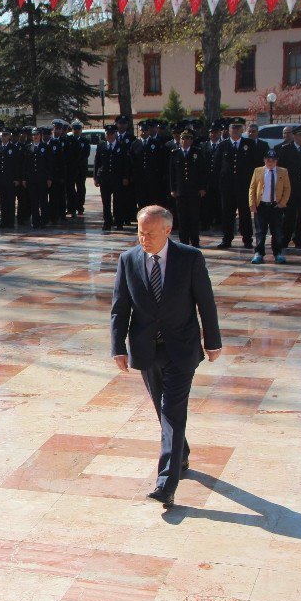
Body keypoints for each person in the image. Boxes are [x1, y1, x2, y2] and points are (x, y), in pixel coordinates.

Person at [110, 205, 222, 507]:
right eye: (139, 232)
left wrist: (212, 341)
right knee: (162, 411)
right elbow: (120, 307)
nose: (143, 239)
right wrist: (118, 347)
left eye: (149, 234)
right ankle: (180, 453)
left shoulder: (190, 258)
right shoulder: (128, 259)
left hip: (182, 347)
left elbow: (206, 303)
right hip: (147, 348)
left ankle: (166, 483)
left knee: (172, 410)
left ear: (167, 231)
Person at [216, 118, 261, 249]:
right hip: (227, 186)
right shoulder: (223, 145)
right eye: (233, 128)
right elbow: (217, 166)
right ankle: (227, 239)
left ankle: (247, 239)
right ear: (229, 130)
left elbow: (256, 164)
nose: (235, 130)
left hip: (244, 186)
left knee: (245, 214)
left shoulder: (250, 144)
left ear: (242, 129)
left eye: (238, 127)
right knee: (227, 214)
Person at [249, 150, 291, 264]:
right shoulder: (258, 171)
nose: (270, 162)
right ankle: (259, 253)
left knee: (276, 231)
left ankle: (277, 253)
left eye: (273, 160)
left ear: (276, 161)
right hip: (261, 206)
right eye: (268, 160)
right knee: (260, 231)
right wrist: (252, 203)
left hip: (275, 206)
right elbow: (252, 188)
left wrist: (282, 202)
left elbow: (287, 188)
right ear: (264, 160)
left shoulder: (283, 172)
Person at [168, 130, 206, 247]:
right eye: (183, 138)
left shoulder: (197, 153)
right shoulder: (175, 153)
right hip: (181, 191)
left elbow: (202, 172)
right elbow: (171, 173)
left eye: (188, 139)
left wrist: (202, 187)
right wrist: (173, 189)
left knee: (194, 217)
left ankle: (195, 241)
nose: (185, 141)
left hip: (194, 191)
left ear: (191, 140)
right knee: (182, 217)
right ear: (180, 140)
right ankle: (183, 241)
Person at [94, 125, 130, 231]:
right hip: (104, 178)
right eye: (107, 134)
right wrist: (96, 177)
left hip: (117, 178)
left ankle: (119, 222)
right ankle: (107, 222)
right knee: (106, 202)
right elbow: (97, 162)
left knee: (118, 201)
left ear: (115, 134)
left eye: (111, 134)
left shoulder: (122, 146)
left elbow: (125, 163)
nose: (109, 136)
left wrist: (125, 177)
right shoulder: (101, 146)